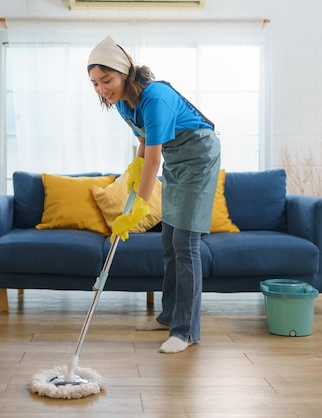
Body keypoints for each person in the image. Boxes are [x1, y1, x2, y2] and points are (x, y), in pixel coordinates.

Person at [87, 36, 221, 354]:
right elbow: (145, 143)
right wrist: (135, 167)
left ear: (124, 74)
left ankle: (185, 332)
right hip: (177, 159)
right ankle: (169, 316)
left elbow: (154, 158)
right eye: (94, 84)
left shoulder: (155, 96)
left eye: (106, 80)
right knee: (169, 242)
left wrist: (139, 206)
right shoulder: (123, 102)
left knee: (185, 244)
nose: (102, 89)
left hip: (199, 156)